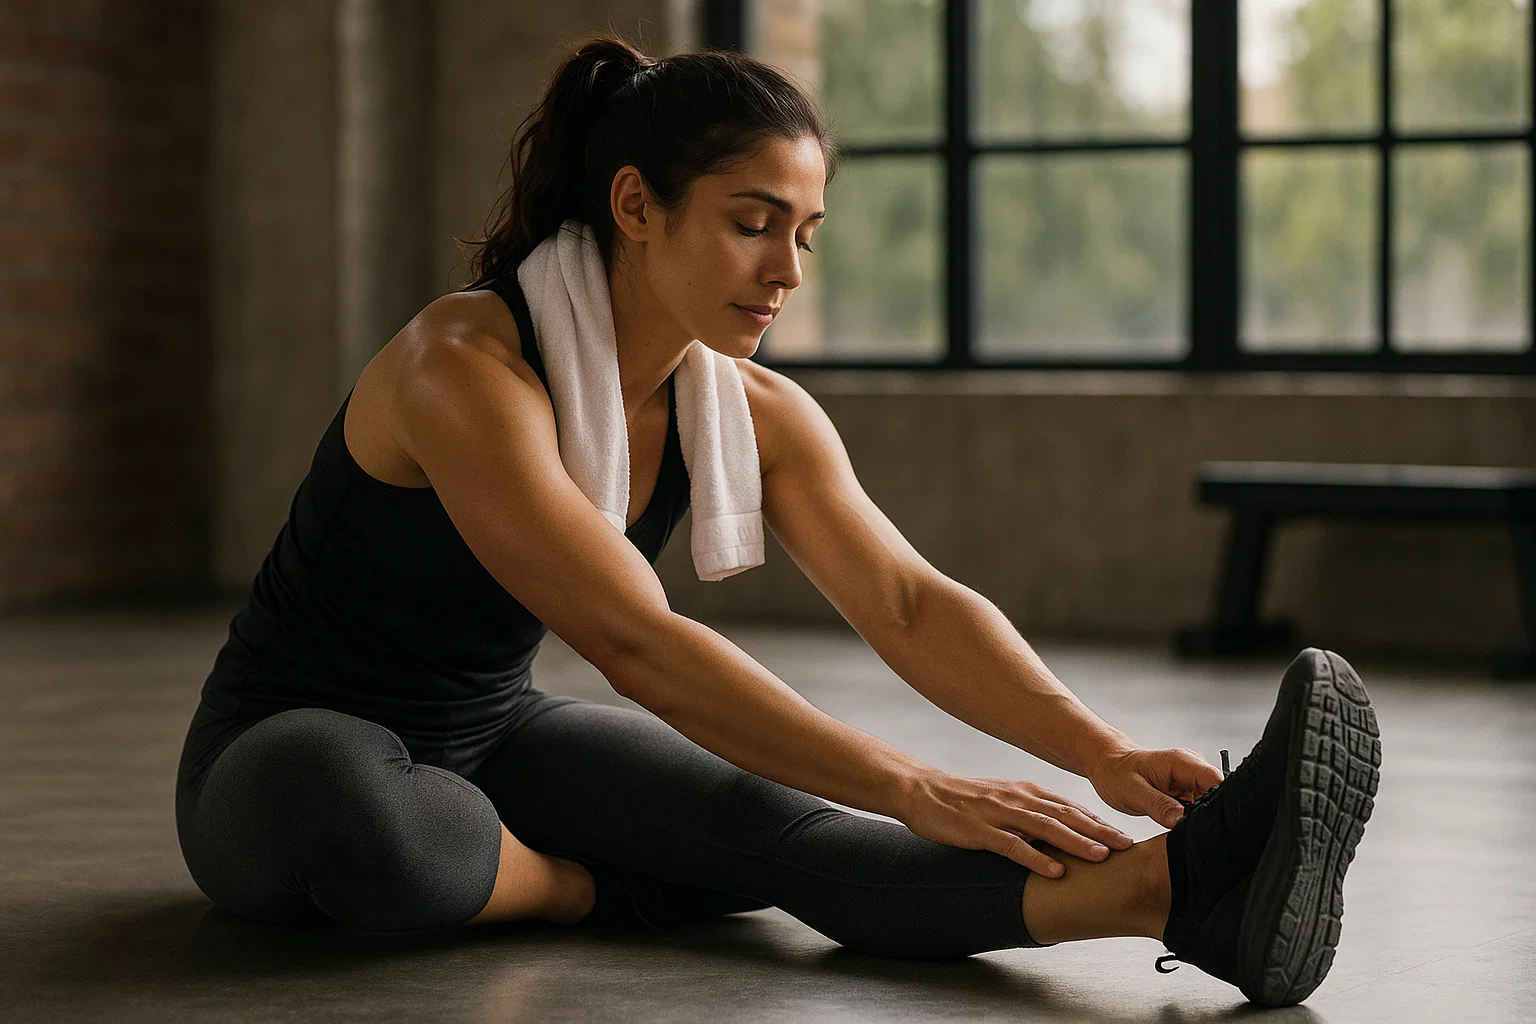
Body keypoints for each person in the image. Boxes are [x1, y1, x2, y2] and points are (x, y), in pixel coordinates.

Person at [173, 35, 1381, 1008]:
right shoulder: (464, 366)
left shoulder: (751, 407)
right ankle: (573, 888)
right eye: (753, 222)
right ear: (636, 204)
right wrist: (913, 778)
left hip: (495, 736)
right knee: (341, 797)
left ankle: (1178, 893)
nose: (787, 269)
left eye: (806, 232)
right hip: (284, 755)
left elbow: (907, 602)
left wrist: (1096, 750)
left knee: (786, 828)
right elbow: (638, 645)